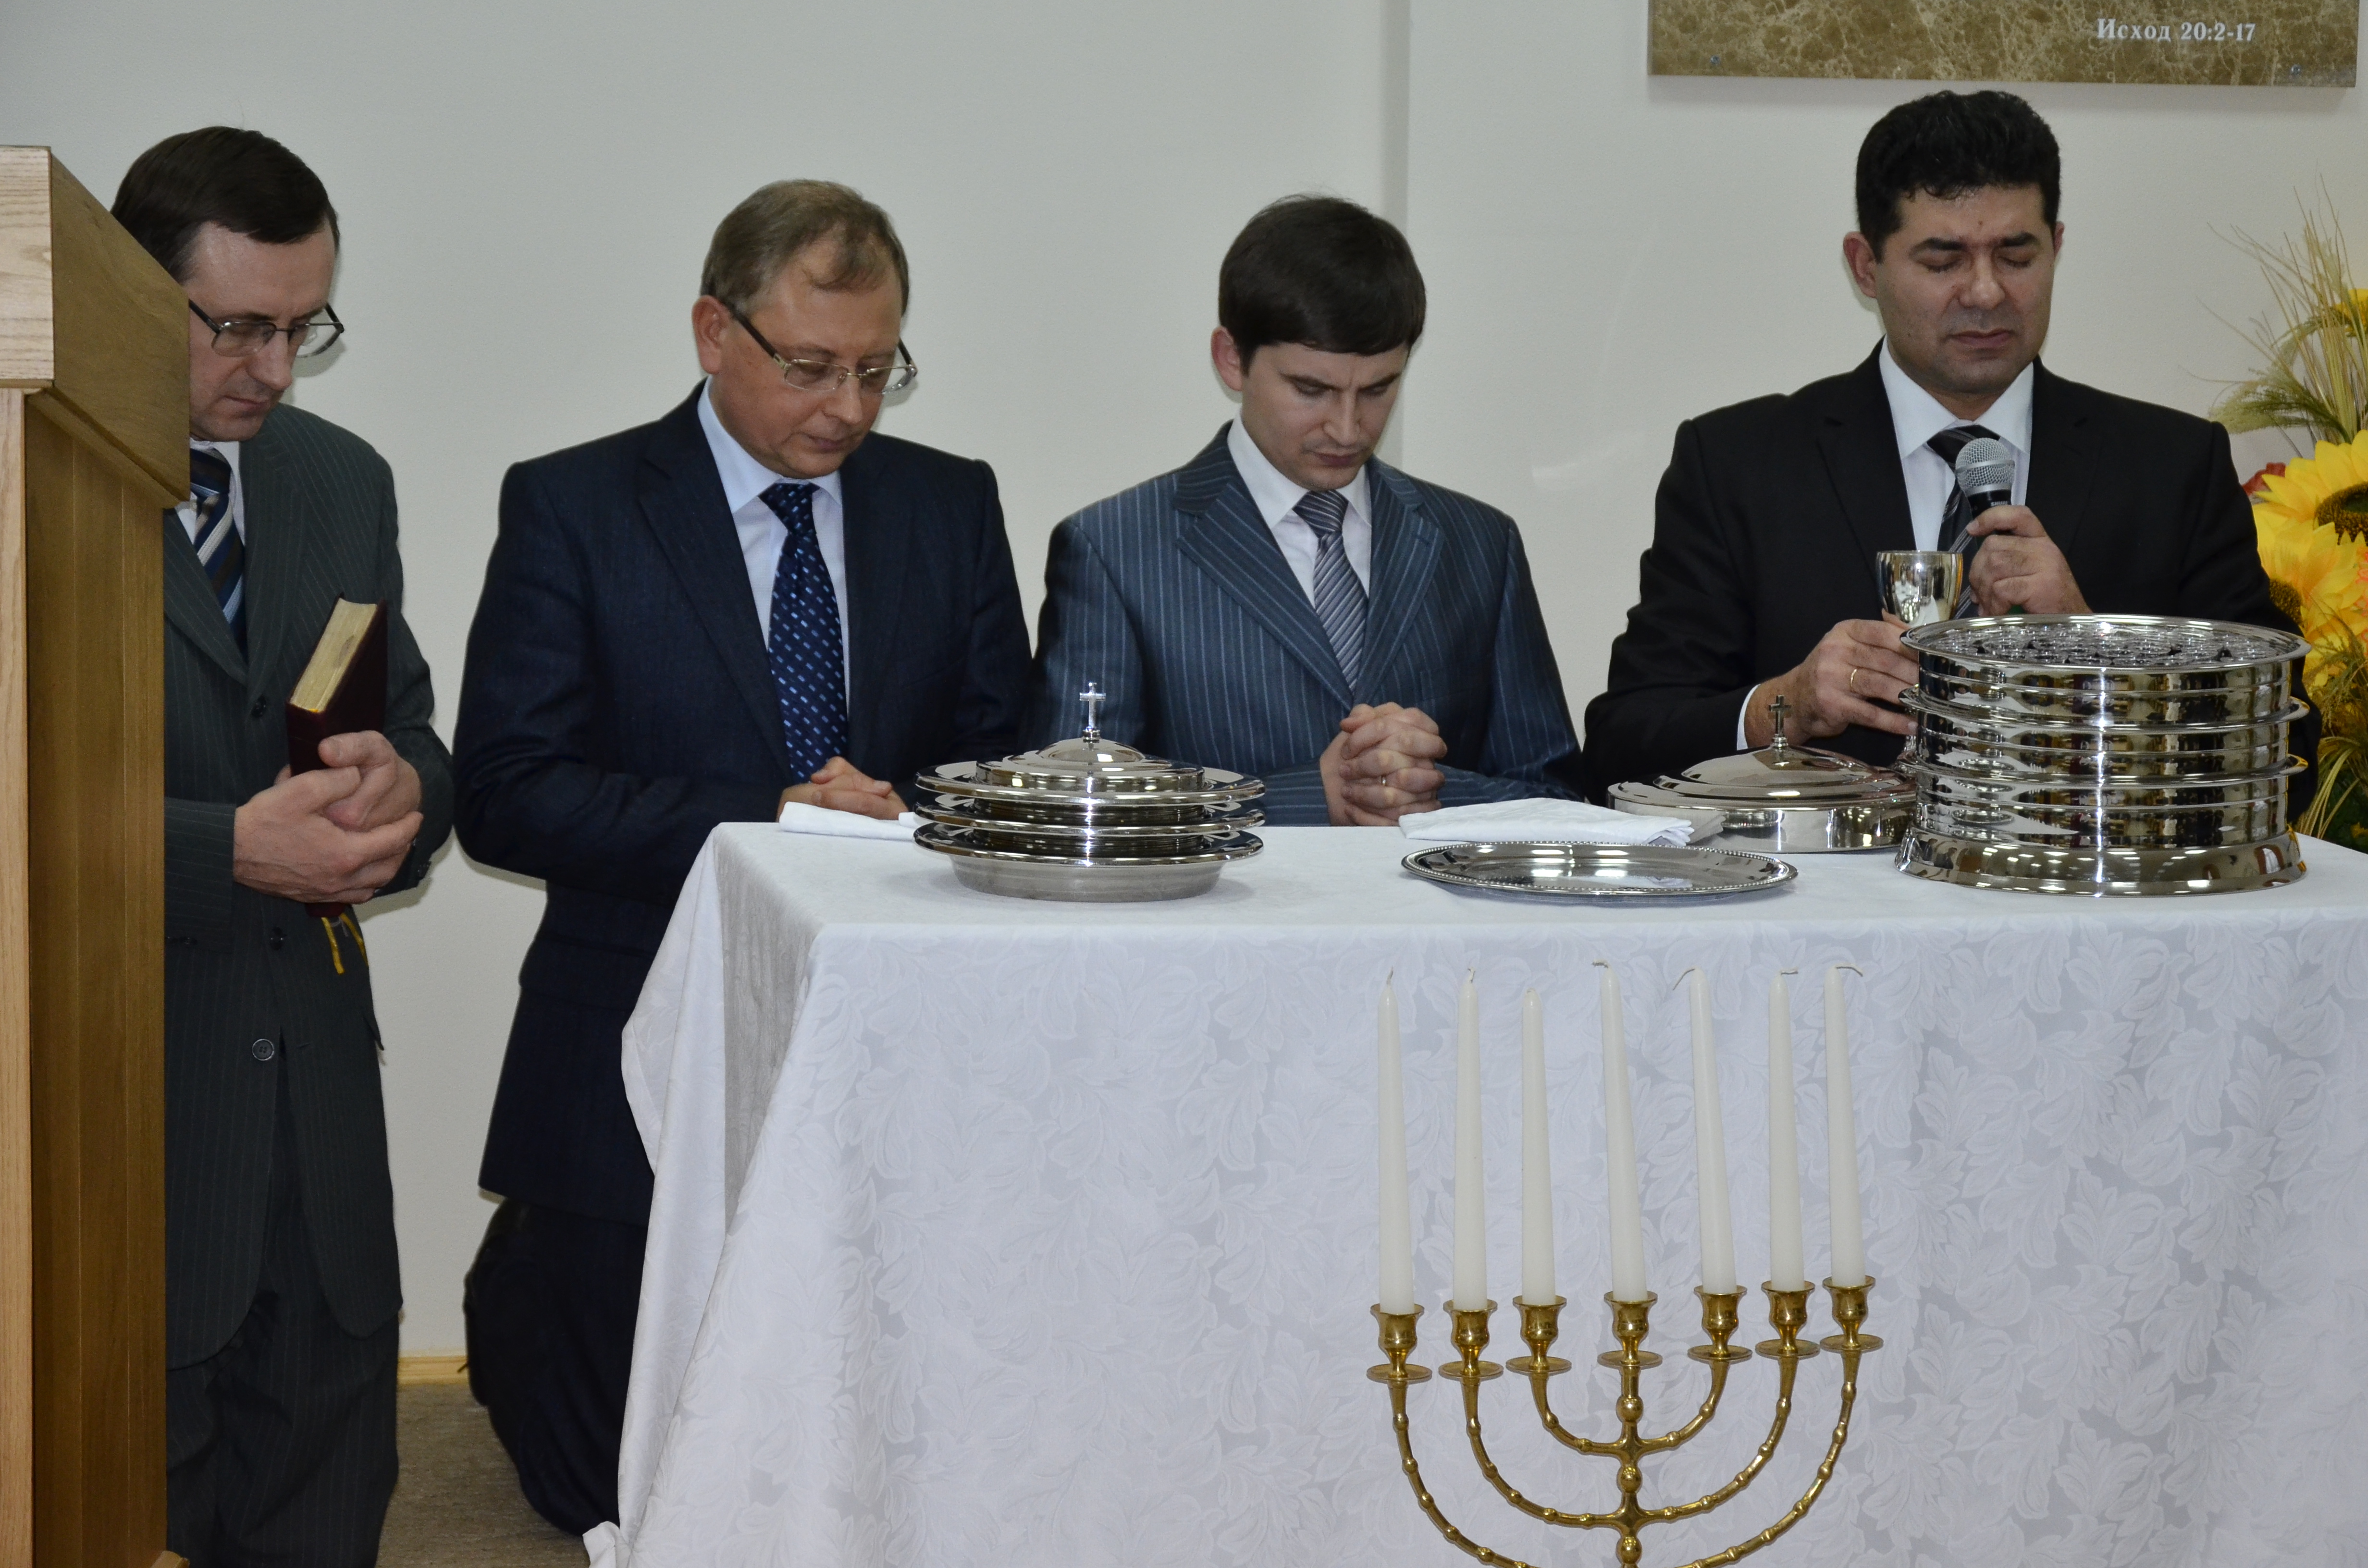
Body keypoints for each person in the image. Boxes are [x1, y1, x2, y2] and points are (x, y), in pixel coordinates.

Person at [452, 179, 1030, 1534]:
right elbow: (510, 793)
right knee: (609, 1483)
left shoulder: (948, 506)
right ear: (715, 332)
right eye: (811, 367)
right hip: (627, 1055)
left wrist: (904, 814)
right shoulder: (578, 505)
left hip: (891, 1042)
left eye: (878, 370)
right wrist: (768, 817)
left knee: (895, 1450)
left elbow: (1001, 763)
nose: (848, 408)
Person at [1584, 89, 2300, 792]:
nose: (1986, 293)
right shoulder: (1738, 466)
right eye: (1943, 261)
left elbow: (2288, 752)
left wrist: (2092, 648)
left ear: (2056, 248)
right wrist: (1786, 707)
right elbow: (1619, 750)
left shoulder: (2172, 470)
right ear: (1866, 266)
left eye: (2016, 256)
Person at [113, 127, 454, 1565]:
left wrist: (402, 796)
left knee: (322, 1507)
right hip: (121, 1116)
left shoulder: (339, 479)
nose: (275, 369)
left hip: (319, 1128)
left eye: (304, 328)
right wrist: (225, 852)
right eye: (240, 329)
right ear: (134, 293)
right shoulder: (30, 469)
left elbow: (415, 731)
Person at [1028, 195, 1584, 824]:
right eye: (1311, 390)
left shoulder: (1480, 544)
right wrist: (1308, 796)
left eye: (1378, 389)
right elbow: (1067, 813)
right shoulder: (1115, 551)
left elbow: (1559, 802)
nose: (1347, 428)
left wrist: (1424, 789)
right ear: (1232, 359)